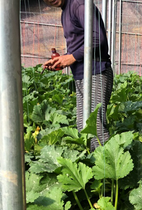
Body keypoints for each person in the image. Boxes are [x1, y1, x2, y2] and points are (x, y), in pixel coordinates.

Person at [42, 0, 113, 151]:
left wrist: (72, 57)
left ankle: (109, 165)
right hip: (82, 74)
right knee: (83, 125)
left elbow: (97, 38)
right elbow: (78, 44)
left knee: (96, 126)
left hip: (96, 71)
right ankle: (95, 165)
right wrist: (61, 60)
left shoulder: (78, 4)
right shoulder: (65, 11)